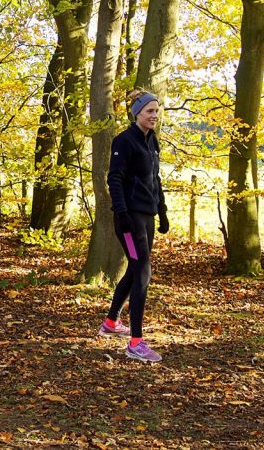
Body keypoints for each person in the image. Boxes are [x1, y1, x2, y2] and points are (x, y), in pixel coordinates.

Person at [98, 89, 169, 362]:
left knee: (136, 268)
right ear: (137, 113)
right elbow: (114, 179)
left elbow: (155, 179)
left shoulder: (152, 142)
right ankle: (136, 343)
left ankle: (111, 323)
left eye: (157, 110)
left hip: (147, 216)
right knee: (142, 271)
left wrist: (162, 211)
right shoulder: (124, 141)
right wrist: (122, 212)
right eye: (149, 110)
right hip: (129, 219)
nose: (154, 115)